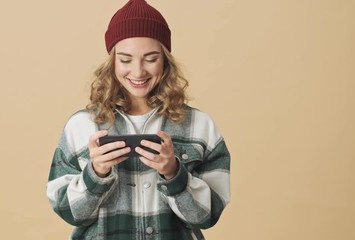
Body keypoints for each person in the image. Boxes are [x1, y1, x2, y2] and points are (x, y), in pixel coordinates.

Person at [46, 0, 231, 239]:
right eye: (125, 59)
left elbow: (208, 216)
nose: (138, 71)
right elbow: (66, 210)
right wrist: (95, 174)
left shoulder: (200, 126)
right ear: (112, 61)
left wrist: (173, 173)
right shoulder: (82, 126)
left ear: (165, 60)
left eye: (151, 58)